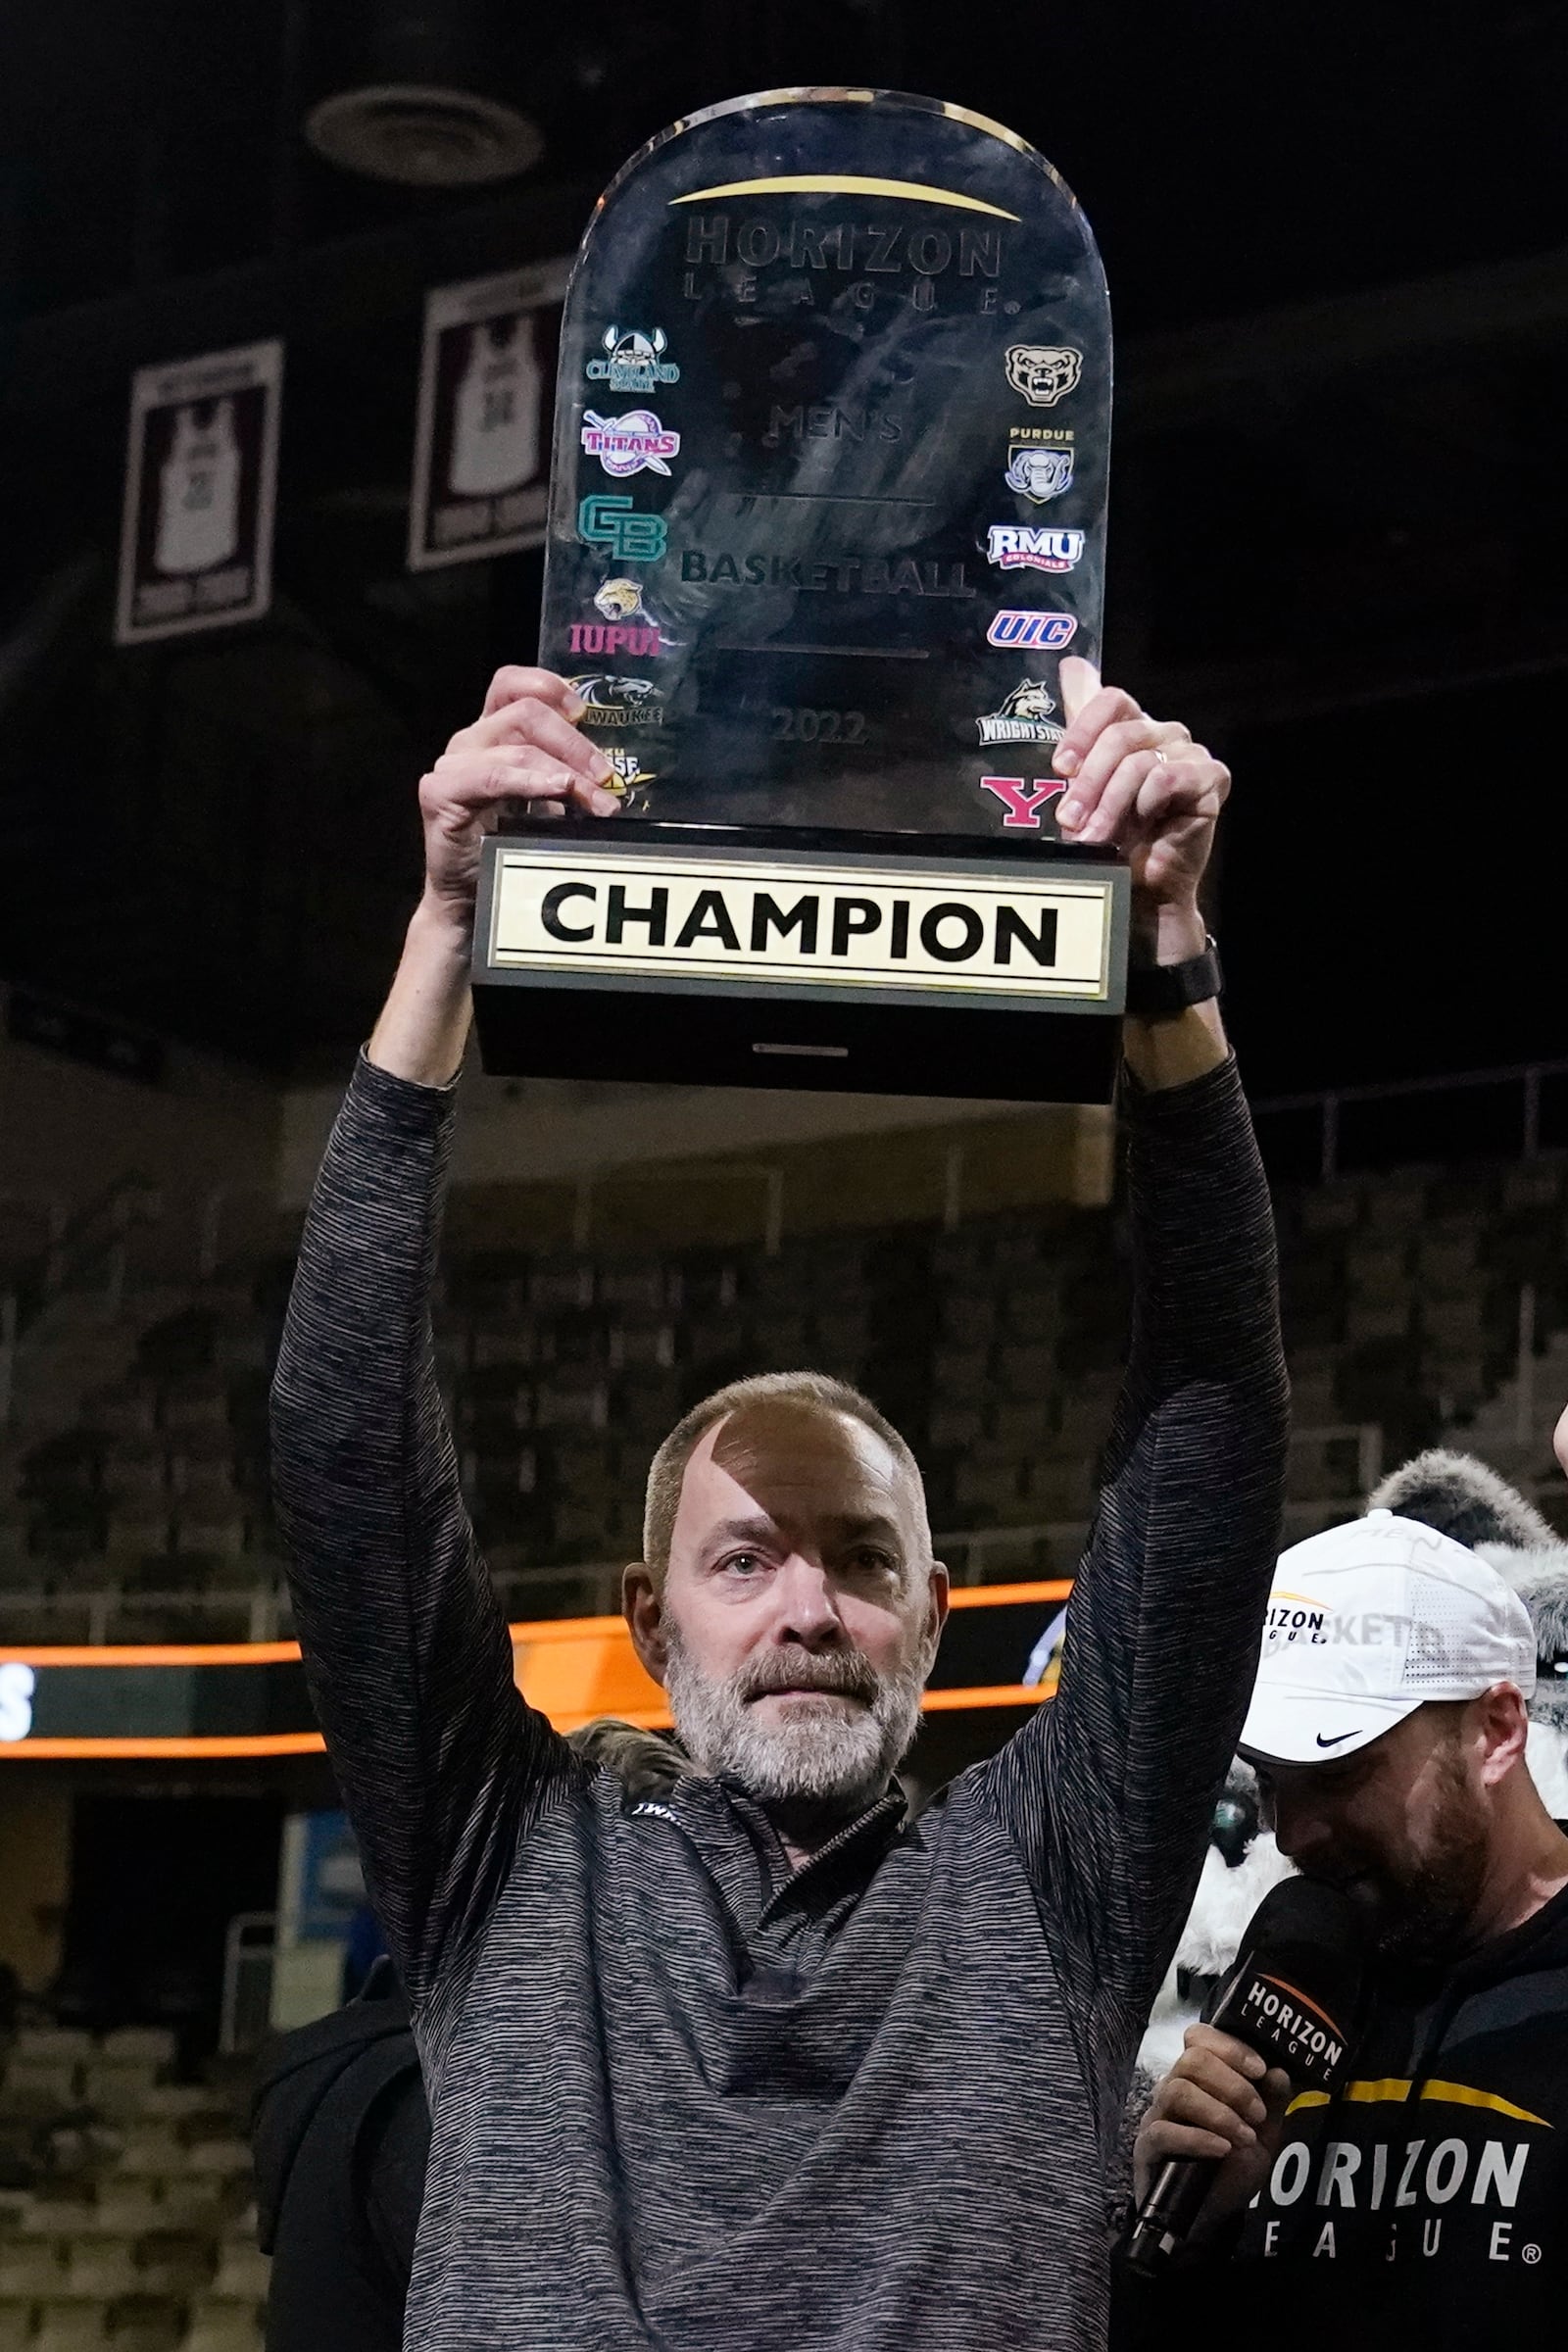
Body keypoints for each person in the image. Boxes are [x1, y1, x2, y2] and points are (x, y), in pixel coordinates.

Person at [270, 655, 1288, 2352]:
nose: (808, 1609)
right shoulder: (502, 1862)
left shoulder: (1056, 1875)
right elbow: (341, 1441)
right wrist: (446, 935)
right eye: (745, 1559)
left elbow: (1208, 1442)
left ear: (937, 1617)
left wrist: (1167, 960)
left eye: (860, 1562)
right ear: (647, 1618)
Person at [1123, 1505, 1568, 2349]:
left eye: (1341, 1772)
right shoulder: (1292, 1962)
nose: (1293, 1832)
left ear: (1498, 1731)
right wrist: (1181, 2245)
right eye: (1274, 1780)